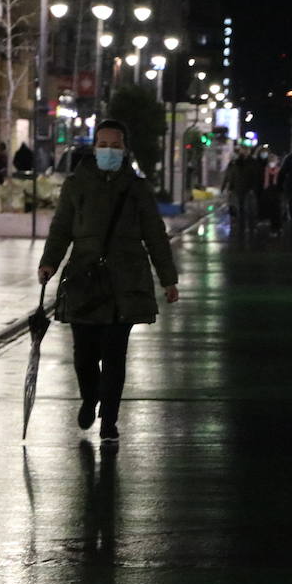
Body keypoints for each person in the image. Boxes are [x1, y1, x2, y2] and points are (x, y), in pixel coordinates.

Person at [38, 119, 180, 445]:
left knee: (115, 355)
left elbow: (155, 236)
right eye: (103, 145)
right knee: (84, 355)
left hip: (125, 282)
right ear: (94, 148)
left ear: (125, 150)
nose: (109, 151)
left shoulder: (136, 187)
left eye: (115, 146)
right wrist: (49, 263)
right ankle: (90, 397)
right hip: (84, 278)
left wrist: (168, 279)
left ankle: (109, 422)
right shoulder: (76, 184)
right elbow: (61, 228)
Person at [221, 145, 261, 234]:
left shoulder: (253, 162)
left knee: (250, 210)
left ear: (249, 152)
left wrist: (253, 188)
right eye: (242, 151)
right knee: (239, 209)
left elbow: (256, 177)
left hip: (249, 189)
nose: (244, 152)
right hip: (237, 189)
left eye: (246, 151)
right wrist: (227, 187)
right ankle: (241, 227)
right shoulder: (235, 162)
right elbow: (230, 175)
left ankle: (251, 227)